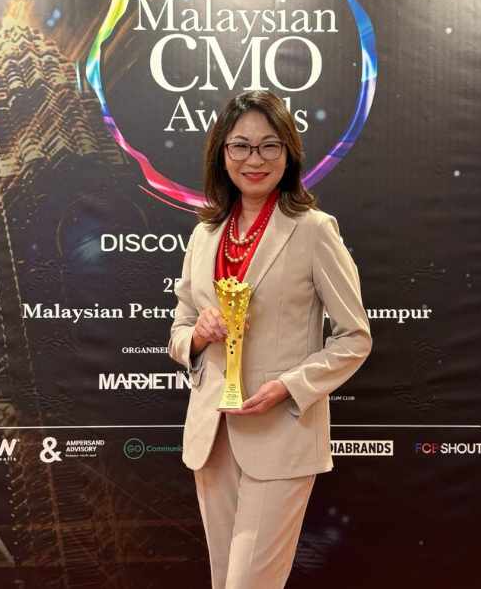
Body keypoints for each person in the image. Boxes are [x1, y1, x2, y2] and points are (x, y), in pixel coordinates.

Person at [168, 89, 372, 588]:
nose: (254, 160)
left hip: (281, 432)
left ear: (288, 153)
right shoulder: (204, 235)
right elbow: (179, 329)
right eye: (241, 146)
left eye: (268, 146)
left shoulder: (314, 230)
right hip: (212, 435)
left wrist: (289, 387)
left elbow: (354, 337)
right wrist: (196, 336)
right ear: (222, 153)